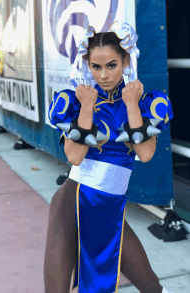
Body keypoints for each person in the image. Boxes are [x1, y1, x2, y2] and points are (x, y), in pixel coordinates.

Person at [44, 21, 174, 293]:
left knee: (151, 286)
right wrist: (88, 107)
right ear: (87, 65)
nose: (103, 75)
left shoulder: (145, 102)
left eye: (111, 65)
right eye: (96, 67)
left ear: (126, 61)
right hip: (72, 203)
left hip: (110, 208)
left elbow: (146, 153)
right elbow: (74, 157)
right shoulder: (77, 101)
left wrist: (130, 105)